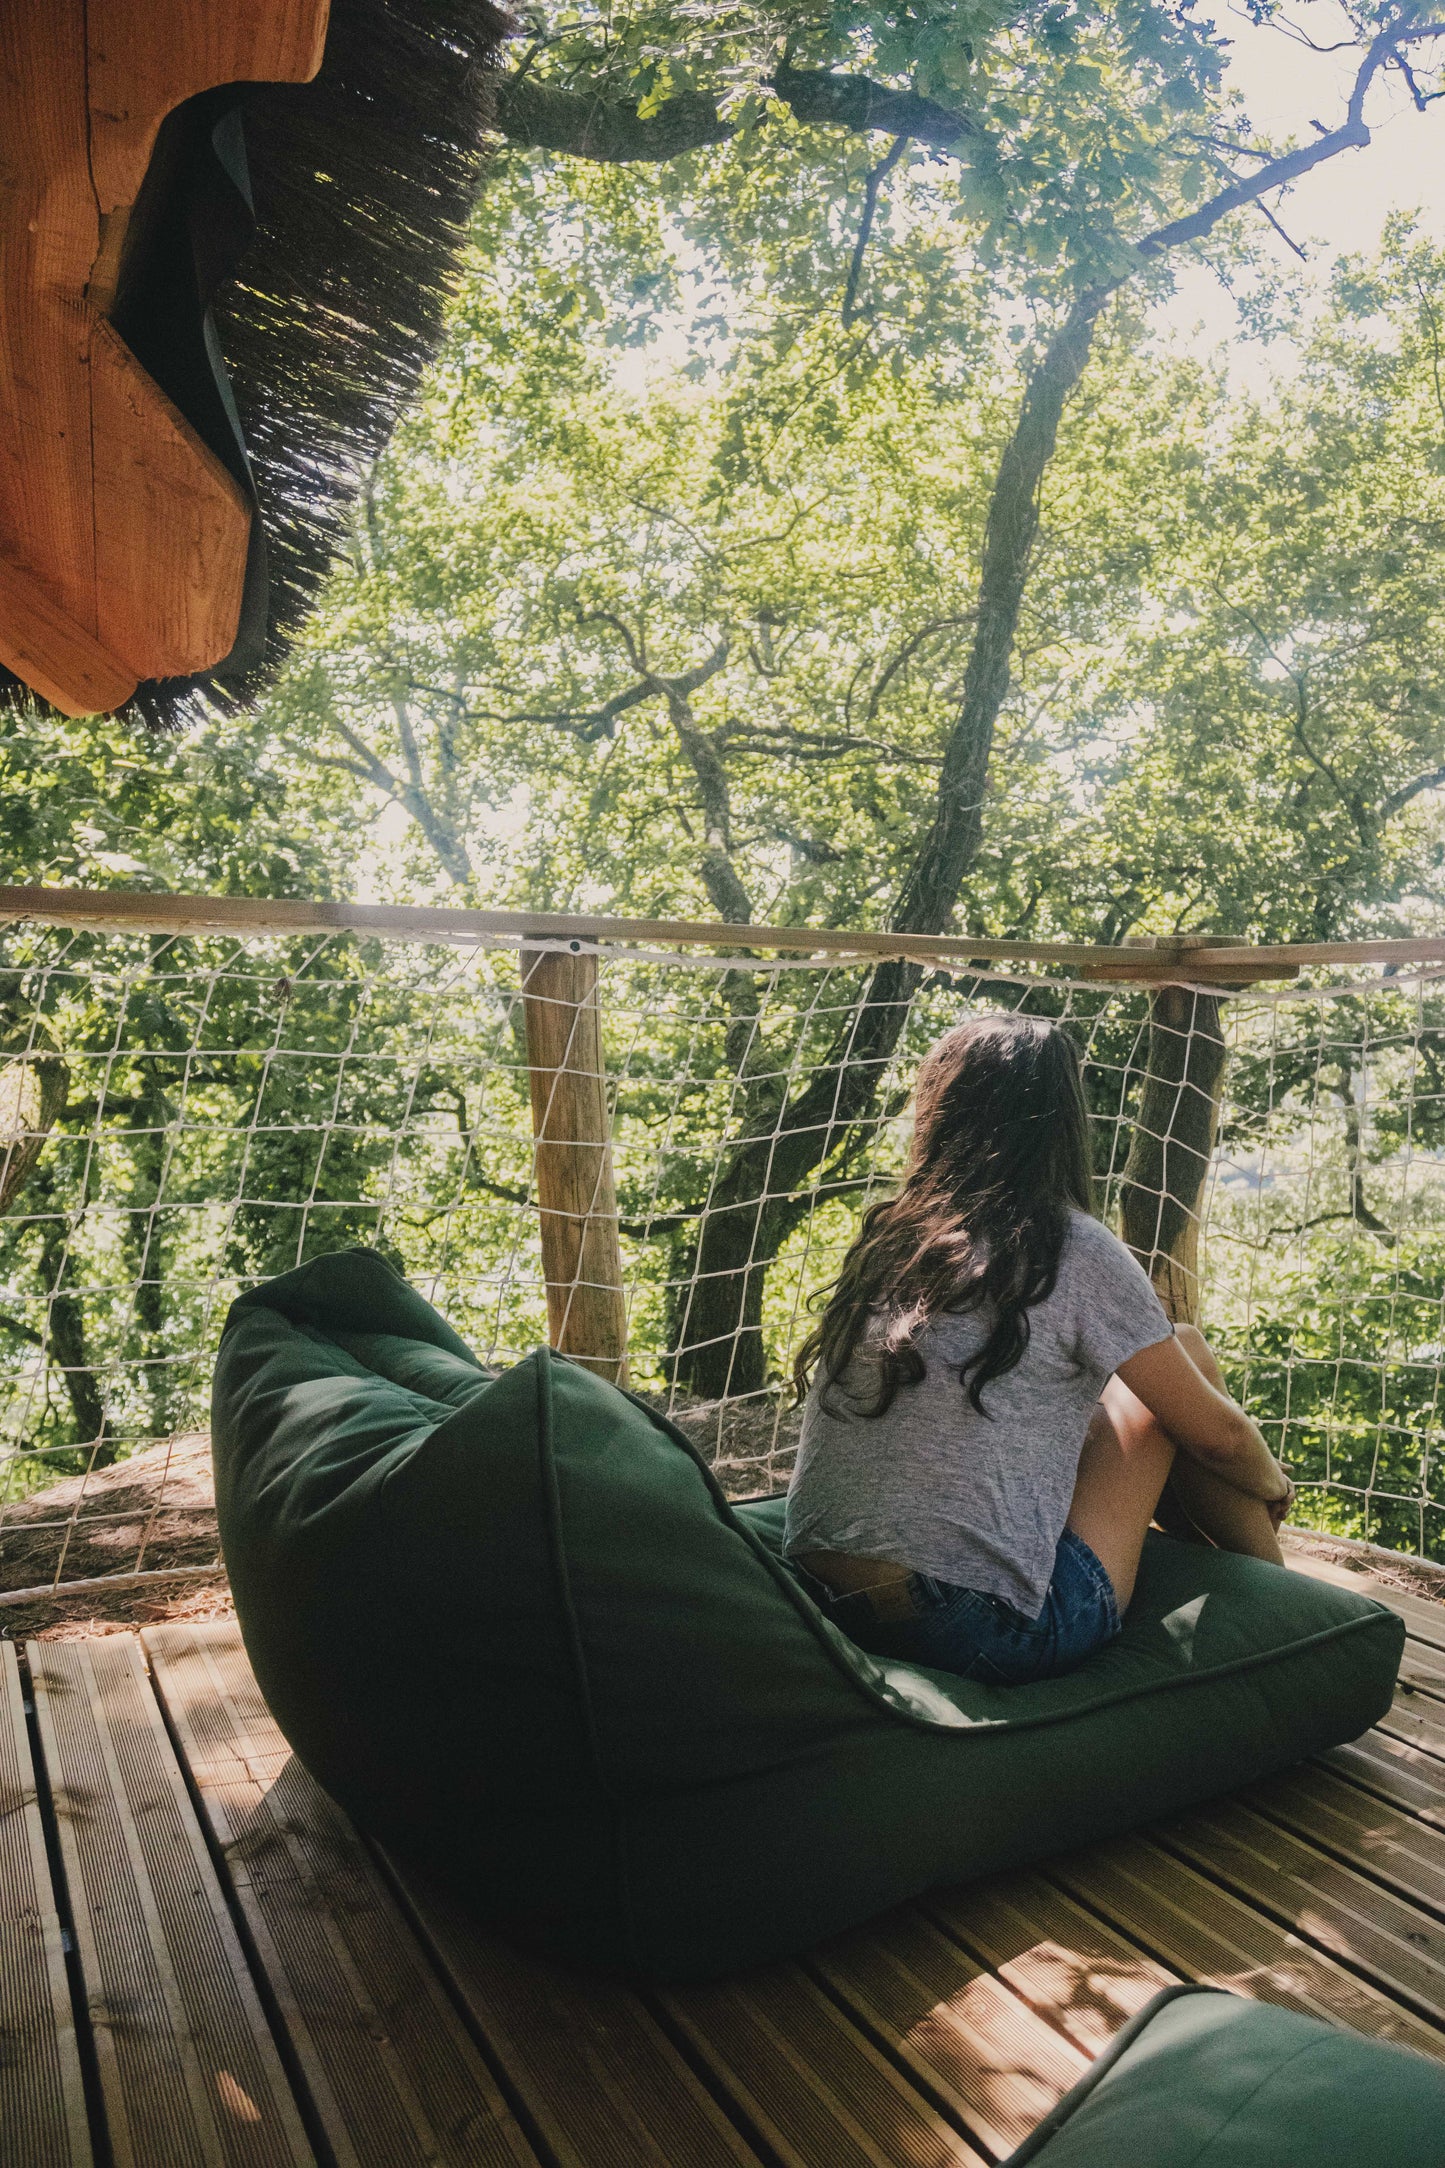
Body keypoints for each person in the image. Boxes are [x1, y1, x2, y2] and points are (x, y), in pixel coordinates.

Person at [783, 1012, 1294, 1684]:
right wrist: (1272, 1483)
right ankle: (1293, 1611)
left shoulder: (892, 1239)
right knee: (1186, 1356)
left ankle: (1251, 1585)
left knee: (1116, 1397)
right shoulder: (1069, 1246)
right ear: (1060, 1123)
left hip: (817, 1600)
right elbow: (1217, 1440)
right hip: (974, 1627)